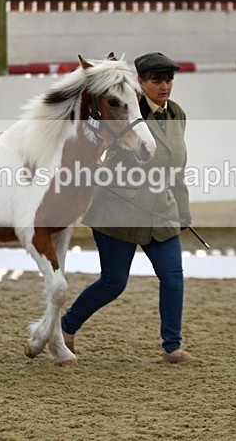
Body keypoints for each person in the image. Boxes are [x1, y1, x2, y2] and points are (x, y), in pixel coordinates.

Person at [61, 52, 202, 364]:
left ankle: (172, 347)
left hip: (161, 210)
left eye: (169, 80)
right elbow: (97, 143)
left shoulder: (177, 114)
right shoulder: (126, 111)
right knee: (113, 283)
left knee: (173, 277)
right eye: (157, 80)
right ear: (140, 83)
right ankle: (66, 327)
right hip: (118, 209)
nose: (165, 86)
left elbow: (178, 166)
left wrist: (183, 210)